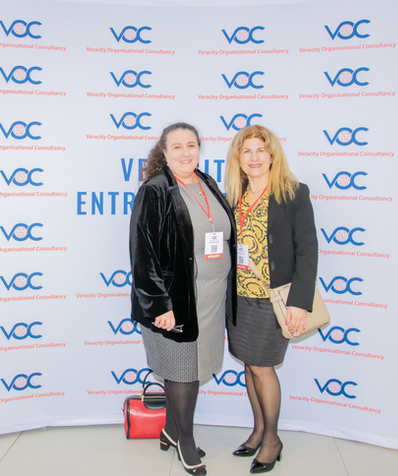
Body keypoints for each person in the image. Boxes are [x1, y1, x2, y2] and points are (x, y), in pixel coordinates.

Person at [130, 122, 237, 476]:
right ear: (164, 152)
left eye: (191, 145)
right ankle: (185, 442)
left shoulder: (207, 182)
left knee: (195, 367)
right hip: (175, 302)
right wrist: (160, 306)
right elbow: (142, 254)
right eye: (177, 146)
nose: (186, 152)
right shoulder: (155, 190)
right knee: (182, 371)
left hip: (210, 298)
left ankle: (170, 431)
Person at [224, 125, 318, 474]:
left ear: (273, 155)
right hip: (239, 297)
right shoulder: (233, 196)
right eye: (246, 151)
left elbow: (307, 250)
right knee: (249, 365)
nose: (254, 157)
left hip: (274, 298)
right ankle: (259, 431)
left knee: (262, 367)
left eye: (260, 150)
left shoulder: (293, 193)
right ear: (238, 158)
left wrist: (299, 302)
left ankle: (272, 440)